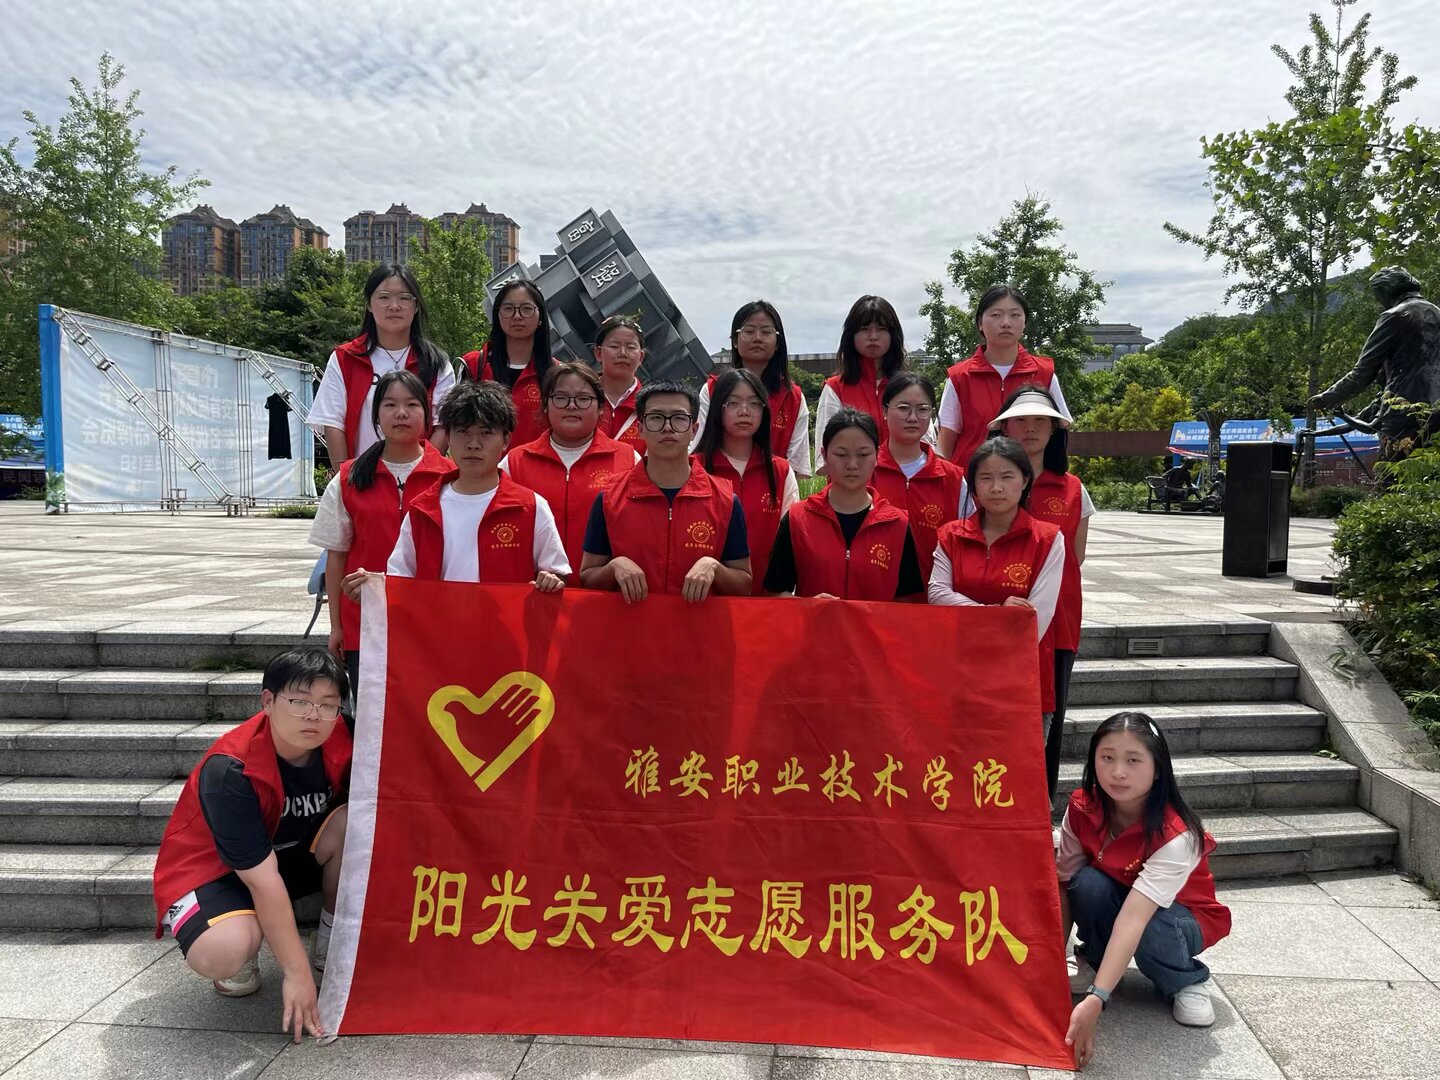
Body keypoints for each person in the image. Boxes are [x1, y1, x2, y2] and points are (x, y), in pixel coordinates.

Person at [153, 647, 352, 1043]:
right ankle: (244, 942)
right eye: (300, 702)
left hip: (287, 856)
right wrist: (295, 972)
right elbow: (262, 879)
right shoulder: (231, 768)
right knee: (221, 952)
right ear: (268, 701)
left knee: (354, 822)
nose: (314, 716)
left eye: (327, 705)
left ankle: (331, 941)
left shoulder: (344, 734)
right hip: (218, 872)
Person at [1059, 711, 1232, 1068]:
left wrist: (1097, 998)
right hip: (1125, 902)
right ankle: (1096, 960)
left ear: (1157, 768)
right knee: (1085, 882)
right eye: (1107, 757)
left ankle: (1185, 979)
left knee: (1153, 926)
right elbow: (1062, 884)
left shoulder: (1177, 835)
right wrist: (1049, 962)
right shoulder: (1082, 807)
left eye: (1133, 760)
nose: (1118, 772)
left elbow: (1135, 919)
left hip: (1180, 919)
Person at [308, 371, 455, 701]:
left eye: (411, 404)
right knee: (372, 717)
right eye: (389, 405)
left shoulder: (451, 477)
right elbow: (337, 557)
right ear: (376, 416)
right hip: (366, 622)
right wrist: (337, 626)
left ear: (427, 415)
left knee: (430, 715)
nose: (401, 413)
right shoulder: (349, 478)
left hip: (433, 624)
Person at [991, 386, 1092, 800]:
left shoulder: (1072, 489)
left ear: (1054, 430)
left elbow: (1076, 559)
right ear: (1005, 428)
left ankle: (1039, 805)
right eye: (1021, 420)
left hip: (1058, 622)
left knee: (1050, 714)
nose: (1030, 428)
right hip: (995, 619)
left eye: (1040, 421)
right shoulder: (985, 482)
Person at [928, 437, 1066, 734]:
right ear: (973, 485)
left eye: (1006, 477)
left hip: (1019, 680)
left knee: (1015, 763)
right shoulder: (951, 535)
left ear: (1025, 480)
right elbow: (937, 595)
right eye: (985, 478)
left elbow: (1036, 619)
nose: (996, 487)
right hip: (957, 675)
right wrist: (996, 611)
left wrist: (972, 615)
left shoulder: (1048, 540)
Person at [377, 381, 569, 588]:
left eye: (486, 433)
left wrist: (550, 581)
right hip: (438, 611)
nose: (473, 444)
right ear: (448, 437)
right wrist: (369, 587)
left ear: (506, 440)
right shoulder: (422, 510)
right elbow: (398, 580)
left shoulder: (531, 507)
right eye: (463, 431)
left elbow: (556, 573)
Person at [579, 380, 752, 602]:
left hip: (697, 623)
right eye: (656, 418)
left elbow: (744, 584)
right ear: (641, 428)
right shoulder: (609, 498)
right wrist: (614, 567)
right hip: (630, 622)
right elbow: (588, 577)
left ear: (694, 430)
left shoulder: (725, 500)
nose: (667, 427)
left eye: (679, 418)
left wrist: (714, 568)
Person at [765, 408, 925, 601]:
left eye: (863, 454)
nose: (852, 465)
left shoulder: (897, 525)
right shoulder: (797, 519)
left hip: (875, 623)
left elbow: (908, 602)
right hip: (816, 622)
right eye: (841, 455)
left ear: (877, 456)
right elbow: (774, 593)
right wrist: (808, 606)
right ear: (824, 455)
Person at [501, 362, 640, 580]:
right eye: (561, 398)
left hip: (603, 591)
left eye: (583, 399)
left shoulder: (629, 460)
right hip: (534, 591)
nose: (572, 406)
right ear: (546, 405)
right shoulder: (514, 462)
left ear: (601, 407)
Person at [308, 264, 454, 462]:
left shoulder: (436, 363)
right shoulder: (346, 358)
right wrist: (347, 477)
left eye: (404, 298)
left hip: (420, 477)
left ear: (416, 306)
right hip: (360, 477)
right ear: (369, 304)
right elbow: (333, 424)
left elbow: (442, 426)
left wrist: (420, 474)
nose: (394, 306)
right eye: (384, 297)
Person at [1310, 265, 1440, 460]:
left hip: (1404, 412)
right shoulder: (1437, 313)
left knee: (1392, 473)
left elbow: (1363, 372)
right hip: (1437, 409)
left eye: (1377, 295)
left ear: (1385, 291)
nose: (1379, 302)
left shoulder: (1394, 316)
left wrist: (1326, 399)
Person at [937, 284, 1071, 467]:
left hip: (1031, 479)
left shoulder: (1044, 373)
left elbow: (1060, 432)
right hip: (972, 480)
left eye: (1015, 315)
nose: (1006, 323)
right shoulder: (960, 377)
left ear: (1025, 322)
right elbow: (945, 446)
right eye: (996, 315)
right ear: (980, 323)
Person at [694, 368, 800, 593]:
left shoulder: (780, 471)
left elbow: (791, 543)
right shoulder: (694, 468)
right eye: (733, 403)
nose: (744, 411)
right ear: (717, 409)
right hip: (707, 601)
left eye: (754, 403)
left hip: (767, 600)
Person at [691, 300, 812, 477]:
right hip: (716, 488)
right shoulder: (712, 390)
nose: (757, 338)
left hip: (773, 489)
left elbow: (796, 467)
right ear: (734, 341)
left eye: (766, 332)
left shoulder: (793, 397)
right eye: (748, 331)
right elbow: (697, 449)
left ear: (777, 343)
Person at [871, 373, 965, 580]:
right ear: (885, 411)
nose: (912, 418)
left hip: (937, 592)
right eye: (903, 408)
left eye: (922, 409)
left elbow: (969, 538)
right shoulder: (865, 470)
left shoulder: (952, 477)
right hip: (873, 593)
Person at [815, 295, 908, 472]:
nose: (873, 337)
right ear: (851, 336)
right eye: (864, 329)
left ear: (893, 335)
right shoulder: (835, 388)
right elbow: (824, 457)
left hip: (901, 483)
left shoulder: (907, 388)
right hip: (850, 485)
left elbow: (925, 447)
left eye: (881, 329)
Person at [460, 279, 553, 446]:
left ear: (541, 316)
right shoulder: (473, 365)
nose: (517, 316)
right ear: (498, 315)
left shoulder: (555, 373)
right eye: (508, 309)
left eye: (526, 309)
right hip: (482, 461)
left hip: (535, 461)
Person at [593, 314, 648, 455]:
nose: (623, 353)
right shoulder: (578, 399)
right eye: (614, 346)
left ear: (641, 357)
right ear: (598, 353)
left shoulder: (650, 407)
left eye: (631, 347)